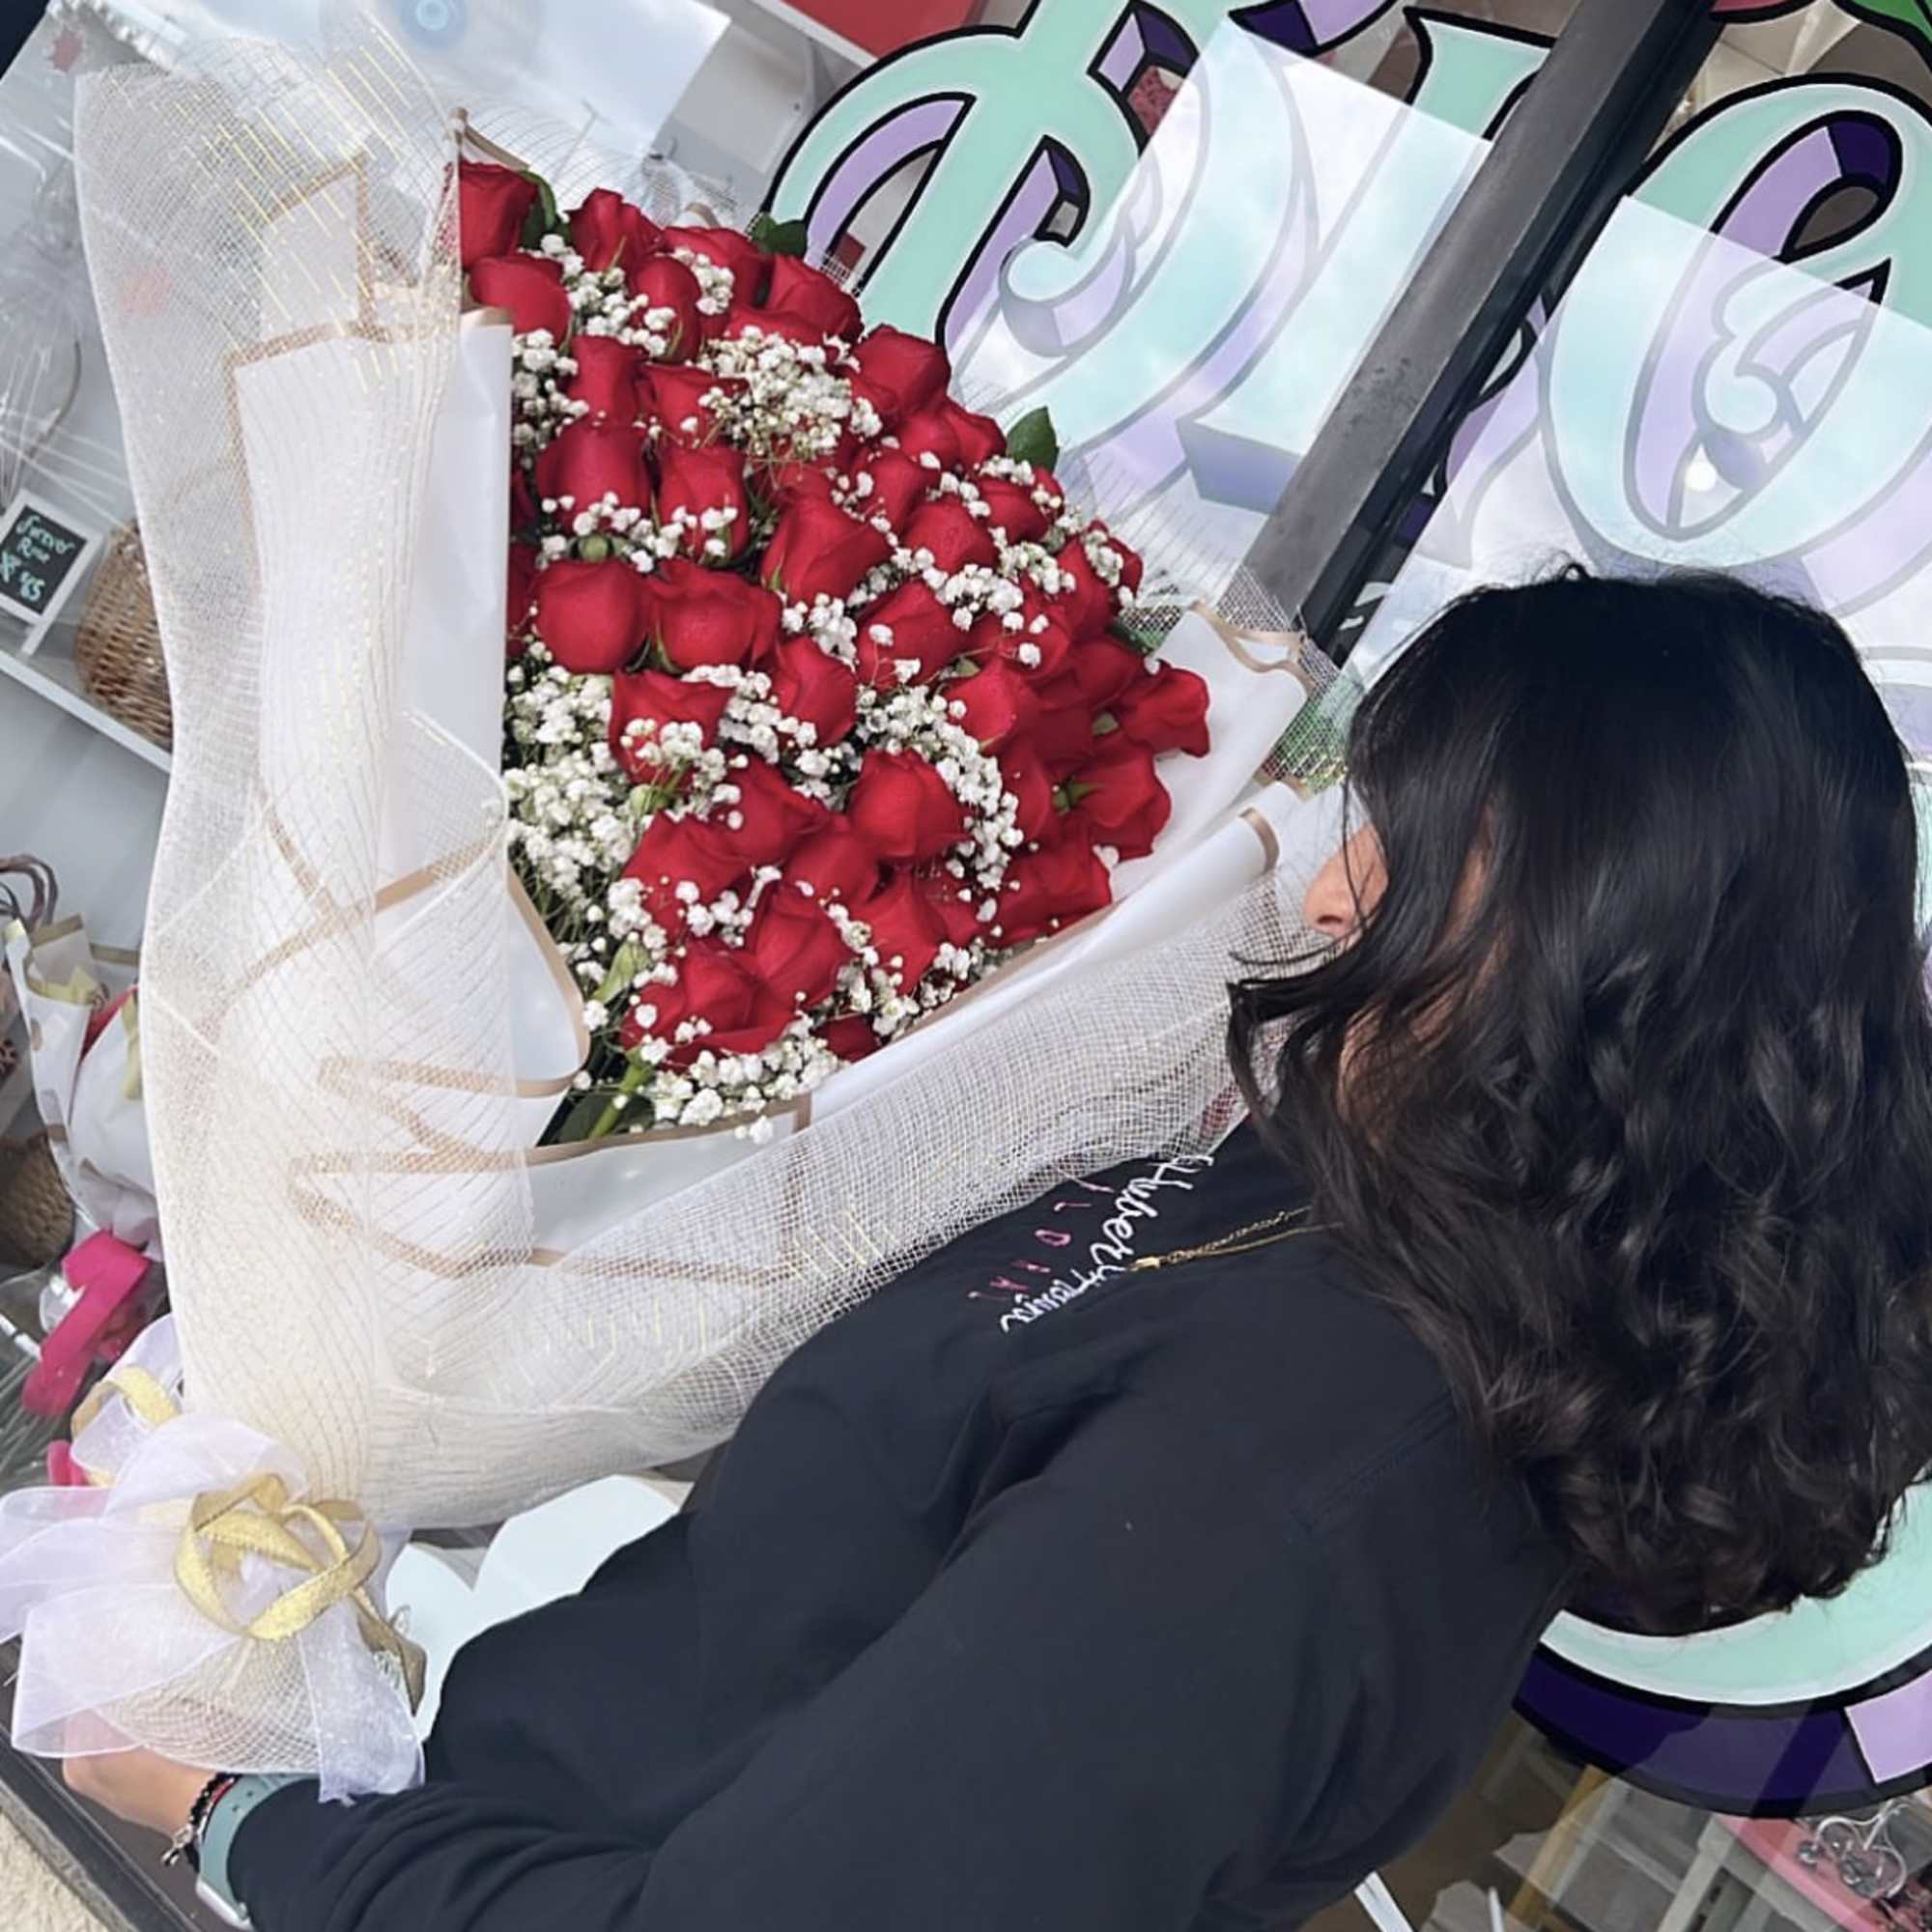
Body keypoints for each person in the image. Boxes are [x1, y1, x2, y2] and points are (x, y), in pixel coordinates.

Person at [67, 572, 1932, 1930]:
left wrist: (235, 1818)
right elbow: (913, 1483)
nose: (1344, 877)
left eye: (1426, 840)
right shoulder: (1347, 1211)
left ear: (1605, 955)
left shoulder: (1306, 1497)